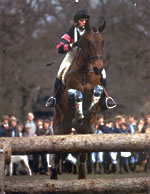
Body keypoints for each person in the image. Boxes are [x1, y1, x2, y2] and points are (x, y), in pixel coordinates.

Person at [46, 10, 116, 110]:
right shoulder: (71, 31)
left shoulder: (93, 30)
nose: (84, 22)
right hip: (73, 55)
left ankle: (106, 98)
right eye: (81, 20)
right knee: (61, 71)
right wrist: (72, 45)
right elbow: (59, 47)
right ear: (77, 21)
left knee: (103, 73)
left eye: (85, 20)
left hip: (89, 58)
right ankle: (54, 97)